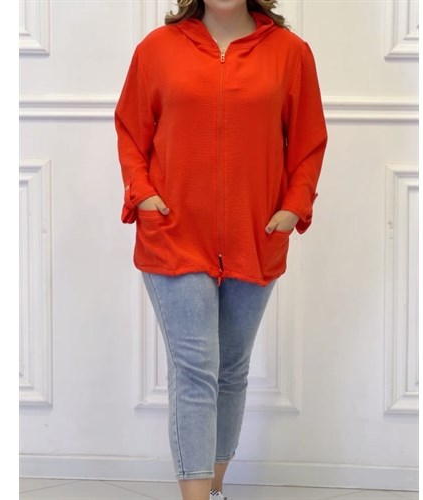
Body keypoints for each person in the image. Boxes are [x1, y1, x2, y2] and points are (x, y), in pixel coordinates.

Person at [114, 0, 327, 499]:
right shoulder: (157, 49)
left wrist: (294, 207)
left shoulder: (291, 53)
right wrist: (142, 194)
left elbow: (309, 142)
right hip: (173, 232)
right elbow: (130, 130)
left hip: (257, 235)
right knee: (195, 369)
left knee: (230, 370)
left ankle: (214, 491)